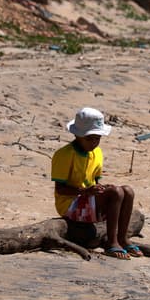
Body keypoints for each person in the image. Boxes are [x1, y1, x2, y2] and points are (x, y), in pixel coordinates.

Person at [51, 106, 140, 259]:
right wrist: (84, 191)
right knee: (116, 192)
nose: (93, 143)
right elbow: (60, 189)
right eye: (89, 138)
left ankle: (123, 238)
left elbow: (95, 181)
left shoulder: (97, 153)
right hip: (70, 204)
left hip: (88, 199)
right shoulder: (64, 155)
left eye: (97, 139)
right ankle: (112, 243)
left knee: (127, 190)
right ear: (77, 135)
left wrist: (101, 189)